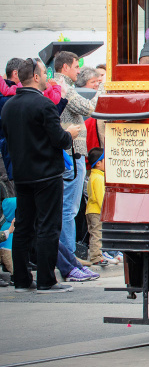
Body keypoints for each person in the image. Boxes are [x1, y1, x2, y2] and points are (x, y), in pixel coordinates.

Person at [1, 58, 81, 293]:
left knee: (24, 226)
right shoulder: (44, 105)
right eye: (44, 73)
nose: (47, 77)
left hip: (22, 175)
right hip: (46, 174)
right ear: (35, 77)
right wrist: (71, 134)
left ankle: (22, 280)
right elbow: (59, 139)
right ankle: (47, 280)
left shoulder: (9, 106)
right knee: (48, 226)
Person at [53, 51, 101, 257]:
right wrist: (100, 94)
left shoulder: (60, 86)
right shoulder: (63, 87)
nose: (78, 70)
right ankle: (70, 256)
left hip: (69, 153)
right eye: (75, 66)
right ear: (65, 68)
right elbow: (87, 107)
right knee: (69, 209)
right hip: (72, 153)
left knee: (67, 208)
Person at [85, 148, 107, 266]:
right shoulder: (99, 178)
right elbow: (101, 198)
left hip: (90, 210)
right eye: (104, 161)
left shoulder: (93, 176)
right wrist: (106, 211)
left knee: (94, 233)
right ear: (98, 163)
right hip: (97, 211)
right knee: (97, 234)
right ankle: (96, 257)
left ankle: (97, 255)